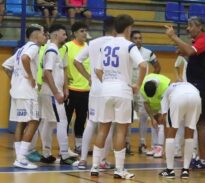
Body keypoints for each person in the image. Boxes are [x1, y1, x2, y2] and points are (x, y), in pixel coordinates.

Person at [90, 14, 147, 179]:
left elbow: (98, 70)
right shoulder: (129, 46)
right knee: (121, 130)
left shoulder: (106, 45)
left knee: (103, 129)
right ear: (128, 28)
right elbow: (143, 65)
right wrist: (137, 85)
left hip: (105, 90)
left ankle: (94, 166)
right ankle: (119, 170)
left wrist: (107, 81)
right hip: (122, 91)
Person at [165, 16, 205, 169]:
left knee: (201, 123)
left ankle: (202, 159)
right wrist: (183, 51)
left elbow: (190, 51)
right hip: (195, 86)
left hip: (204, 86)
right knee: (194, 123)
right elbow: (190, 53)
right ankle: (196, 157)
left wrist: (174, 37)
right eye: (187, 25)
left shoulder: (203, 40)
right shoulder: (196, 42)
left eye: (191, 26)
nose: (187, 28)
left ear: (200, 27)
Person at [2, 24, 46, 169]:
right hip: (27, 92)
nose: (44, 36)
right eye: (43, 34)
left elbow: (5, 66)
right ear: (36, 35)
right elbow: (26, 59)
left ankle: (19, 158)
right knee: (34, 121)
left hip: (16, 90)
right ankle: (22, 158)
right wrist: (30, 76)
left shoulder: (20, 49)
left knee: (21, 123)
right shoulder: (33, 47)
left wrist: (15, 80)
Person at [74, 16, 116, 170]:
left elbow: (76, 61)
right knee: (108, 125)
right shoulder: (118, 44)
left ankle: (83, 160)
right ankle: (102, 160)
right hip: (111, 88)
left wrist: (89, 78)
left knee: (91, 123)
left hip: (96, 89)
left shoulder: (93, 43)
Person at [39, 24, 77, 165]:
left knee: (49, 123)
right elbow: (46, 73)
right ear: (55, 35)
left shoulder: (55, 50)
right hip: (51, 94)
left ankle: (46, 154)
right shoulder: (52, 51)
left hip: (51, 93)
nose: (66, 37)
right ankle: (65, 155)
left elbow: (57, 73)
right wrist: (56, 93)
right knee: (62, 121)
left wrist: (64, 89)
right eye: (63, 34)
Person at [127, 30, 161, 155]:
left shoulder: (148, 53)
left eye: (140, 38)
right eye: (135, 38)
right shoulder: (126, 51)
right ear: (131, 39)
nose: (138, 40)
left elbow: (157, 67)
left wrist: (149, 81)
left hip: (141, 90)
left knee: (143, 117)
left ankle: (142, 143)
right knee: (128, 118)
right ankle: (127, 143)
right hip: (128, 90)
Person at [158, 82, 201, 179]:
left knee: (171, 133)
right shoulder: (190, 85)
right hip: (196, 98)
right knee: (190, 133)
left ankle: (169, 170)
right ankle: (185, 170)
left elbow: (164, 115)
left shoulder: (168, 89)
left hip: (178, 98)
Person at [63, 22, 90, 154]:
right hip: (71, 89)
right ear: (74, 33)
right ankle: (64, 147)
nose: (84, 33)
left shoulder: (89, 47)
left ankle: (79, 145)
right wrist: (65, 84)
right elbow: (63, 67)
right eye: (81, 31)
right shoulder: (67, 47)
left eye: (85, 30)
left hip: (86, 90)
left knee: (81, 119)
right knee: (66, 119)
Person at [140, 73, 171, 158]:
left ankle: (160, 148)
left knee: (161, 122)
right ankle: (154, 146)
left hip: (164, 102)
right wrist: (152, 117)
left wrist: (161, 113)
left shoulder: (165, 85)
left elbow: (167, 101)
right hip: (153, 105)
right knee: (153, 122)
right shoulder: (142, 86)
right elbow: (146, 103)